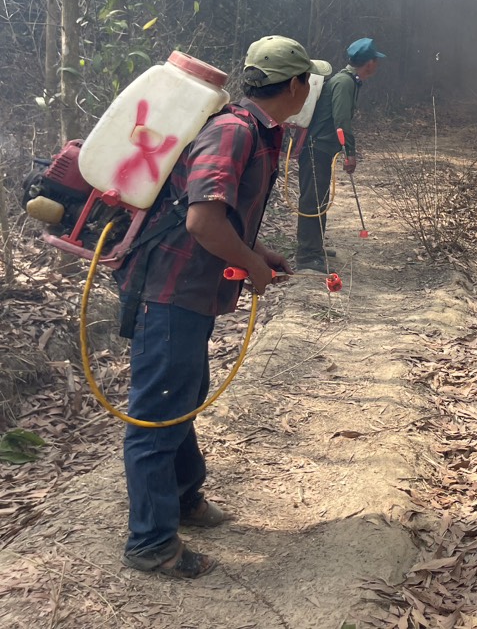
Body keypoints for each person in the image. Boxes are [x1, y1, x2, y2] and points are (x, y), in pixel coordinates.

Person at [113, 36, 331, 579]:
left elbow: (216, 215)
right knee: (158, 412)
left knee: (184, 393)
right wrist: (251, 266)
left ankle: (185, 498)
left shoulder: (261, 131)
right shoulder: (234, 131)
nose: (310, 90)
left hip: (192, 289)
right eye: (308, 82)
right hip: (169, 290)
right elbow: (201, 221)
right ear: (296, 84)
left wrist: (256, 251)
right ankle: (151, 544)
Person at [294, 37, 385, 271]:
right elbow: (341, 120)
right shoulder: (345, 82)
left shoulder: (348, 80)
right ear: (370, 63)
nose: (377, 65)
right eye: (376, 60)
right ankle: (307, 256)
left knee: (319, 199)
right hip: (316, 147)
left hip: (321, 148)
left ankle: (315, 247)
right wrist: (349, 152)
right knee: (313, 200)